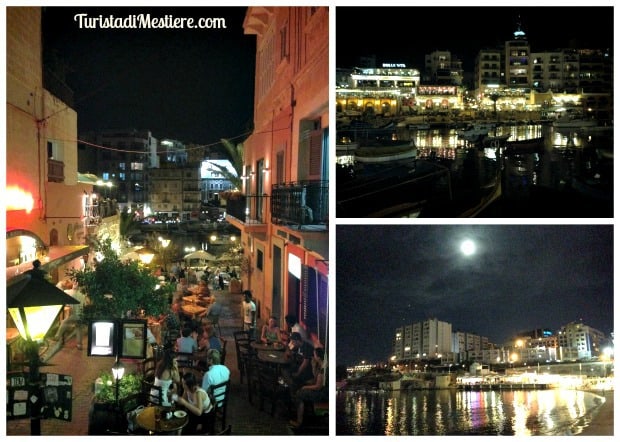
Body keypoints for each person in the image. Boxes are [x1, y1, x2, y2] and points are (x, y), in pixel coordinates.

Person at [289, 347, 328, 429]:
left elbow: (318, 386)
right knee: (301, 387)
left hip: (322, 393)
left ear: (318, 357)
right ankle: (304, 412)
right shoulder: (322, 365)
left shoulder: (324, 369)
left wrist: (305, 387)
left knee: (300, 394)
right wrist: (313, 366)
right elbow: (316, 378)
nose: (313, 357)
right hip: (322, 390)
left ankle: (299, 422)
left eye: (314, 355)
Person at [51, 280, 87, 349]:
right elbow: (85, 304)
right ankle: (79, 345)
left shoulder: (69, 292)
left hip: (75, 314)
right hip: (81, 315)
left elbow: (59, 291)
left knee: (64, 322)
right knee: (78, 328)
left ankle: (57, 337)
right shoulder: (82, 295)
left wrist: (61, 284)